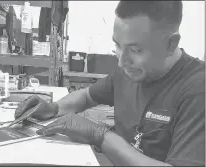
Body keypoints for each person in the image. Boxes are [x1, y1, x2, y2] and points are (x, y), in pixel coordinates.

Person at [15, 1, 205, 166]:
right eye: (117, 45)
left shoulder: (197, 89)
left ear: (170, 44)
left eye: (136, 49)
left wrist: (101, 135)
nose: (121, 62)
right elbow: (86, 96)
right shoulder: (128, 72)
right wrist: (54, 108)